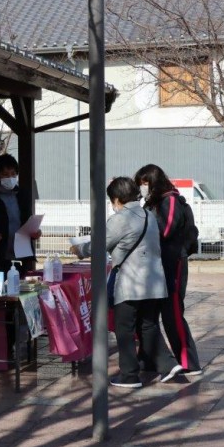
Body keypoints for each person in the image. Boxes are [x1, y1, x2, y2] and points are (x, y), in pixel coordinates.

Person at [72, 177, 183, 388]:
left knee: (125, 328)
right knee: (148, 324)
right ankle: (168, 365)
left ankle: (129, 375)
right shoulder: (148, 215)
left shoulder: (121, 218)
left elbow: (100, 243)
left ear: (116, 199)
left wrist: (80, 250)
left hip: (131, 282)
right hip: (154, 281)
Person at [134, 164, 203, 375]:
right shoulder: (152, 203)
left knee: (172, 313)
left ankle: (188, 362)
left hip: (172, 264)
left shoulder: (170, 200)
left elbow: (165, 229)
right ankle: (148, 359)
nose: (142, 188)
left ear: (153, 182)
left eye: (144, 183)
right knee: (149, 315)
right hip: (155, 266)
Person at [0, 154, 41, 279]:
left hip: (21, 256)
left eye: (13, 174)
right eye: (5, 174)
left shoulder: (21, 195)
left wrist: (35, 232)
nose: (10, 178)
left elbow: (27, 221)